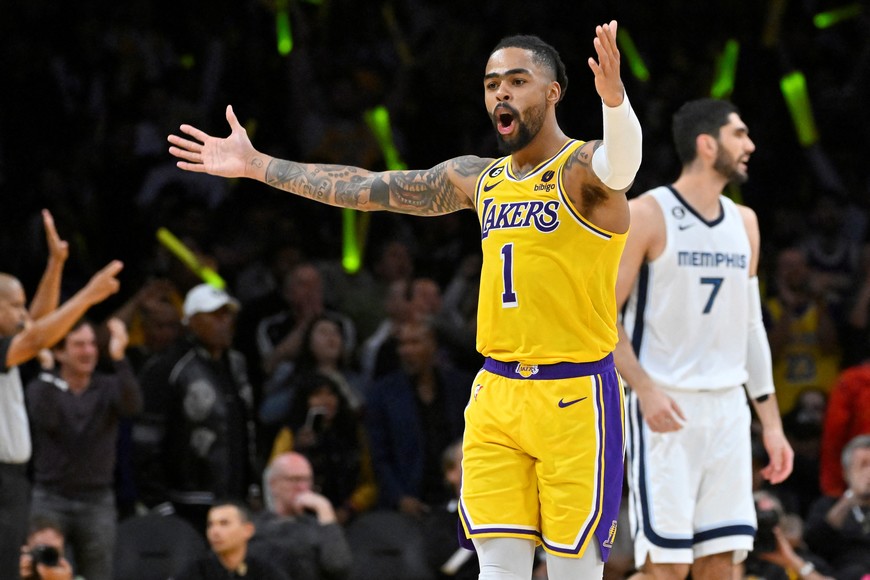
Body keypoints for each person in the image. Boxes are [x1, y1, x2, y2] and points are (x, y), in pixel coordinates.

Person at [169, 21, 642, 579]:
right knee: (497, 568)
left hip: (575, 394)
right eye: (492, 84)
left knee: (574, 573)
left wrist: (614, 101)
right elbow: (366, 187)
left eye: (517, 81)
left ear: (554, 91)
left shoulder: (584, 171)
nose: (501, 94)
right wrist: (258, 166)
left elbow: (623, 166)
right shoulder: (477, 179)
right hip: (497, 392)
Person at [614, 98, 795, 579]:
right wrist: (645, 390)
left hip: (728, 413)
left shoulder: (746, 224)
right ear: (706, 143)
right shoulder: (647, 213)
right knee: (666, 567)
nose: (750, 145)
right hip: (664, 409)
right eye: (740, 134)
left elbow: (751, 327)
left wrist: (771, 425)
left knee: (723, 564)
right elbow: (599, 318)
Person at [0, 209, 123, 580]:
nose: (25, 313)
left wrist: (55, 264)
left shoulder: (8, 341)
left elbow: (36, 326)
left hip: (13, 480)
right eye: (15, 304)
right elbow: (37, 336)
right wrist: (88, 295)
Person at [133, 283, 259, 532]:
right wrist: (158, 502)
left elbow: (248, 430)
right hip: (187, 503)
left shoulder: (236, 365)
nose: (224, 322)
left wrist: (253, 485)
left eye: (227, 314)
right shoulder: (167, 367)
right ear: (191, 321)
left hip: (234, 499)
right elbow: (145, 442)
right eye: (215, 315)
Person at [25, 317, 142, 580]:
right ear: (59, 352)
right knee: (43, 571)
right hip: (50, 498)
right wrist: (45, 367)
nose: (88, 351)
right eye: (78, 345)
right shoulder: (42, 386)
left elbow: (133, 406)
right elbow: (46, 418)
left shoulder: (107, 386)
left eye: (91, 344)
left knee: (98, 574)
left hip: (97, 499)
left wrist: (119, 356)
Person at [365, 318, 470, 515]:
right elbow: (379, 455)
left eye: (414, 343)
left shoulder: (460, 386)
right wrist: (399, 497)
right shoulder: (383, 394)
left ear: (432, 345)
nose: (406, 350)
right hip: (408, 503)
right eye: (402, 344)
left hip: (459, 497)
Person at [248, 452, 353, 580]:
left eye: (307, 480)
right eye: (295, 479)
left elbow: (339, 566)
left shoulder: (321, 527)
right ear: (273, 484)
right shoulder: (254, 528)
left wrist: (325, 509)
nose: (302, 487)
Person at [804, 434, 870, 579]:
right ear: (846, 472)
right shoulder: (827, 505)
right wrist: (852, 497)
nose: (868, 472)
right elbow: (815, 543)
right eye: (863, 465)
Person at [176, 500, 290, 580]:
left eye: (224, 523)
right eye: (210, 525)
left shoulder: (267, 574)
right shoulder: (194, 573)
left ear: (248, 530)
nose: (214, 531)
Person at [19, 513, 77, 580]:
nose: (47, 557)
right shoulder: (15, 569)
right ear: (26, 549)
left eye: (53, 552)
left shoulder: (68, 576)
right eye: (42, 549)